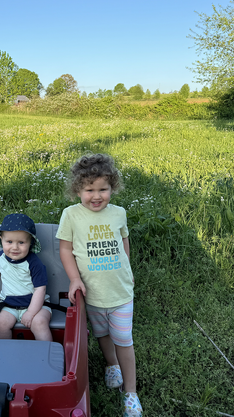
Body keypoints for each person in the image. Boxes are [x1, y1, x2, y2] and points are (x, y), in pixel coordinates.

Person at [56, 154, 143, 417]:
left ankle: (131, 393)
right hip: (91, 293)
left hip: (120, 292)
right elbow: (65, 249)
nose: (96, 196)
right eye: (89, 189)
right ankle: (111, 365)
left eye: (103, 189)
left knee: (123, 339)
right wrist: (74, 278)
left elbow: (123, 241)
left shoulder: (119, 213)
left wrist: (127, 267)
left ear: (112, 188)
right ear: (77, 190)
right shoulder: (71, 215)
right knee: (102, 334)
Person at [0, 213, 53, 342]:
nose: (15, 247)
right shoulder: (1, 257)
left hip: (37, 305)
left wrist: (31, 313)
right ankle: (5, 351)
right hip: (9, 305)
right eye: (9, 242)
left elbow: (40, 289)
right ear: (1, 239)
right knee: (1, 323)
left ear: (30, 242)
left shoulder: (34, 263)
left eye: (21, 242)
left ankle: (46, 354)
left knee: (39, 323)